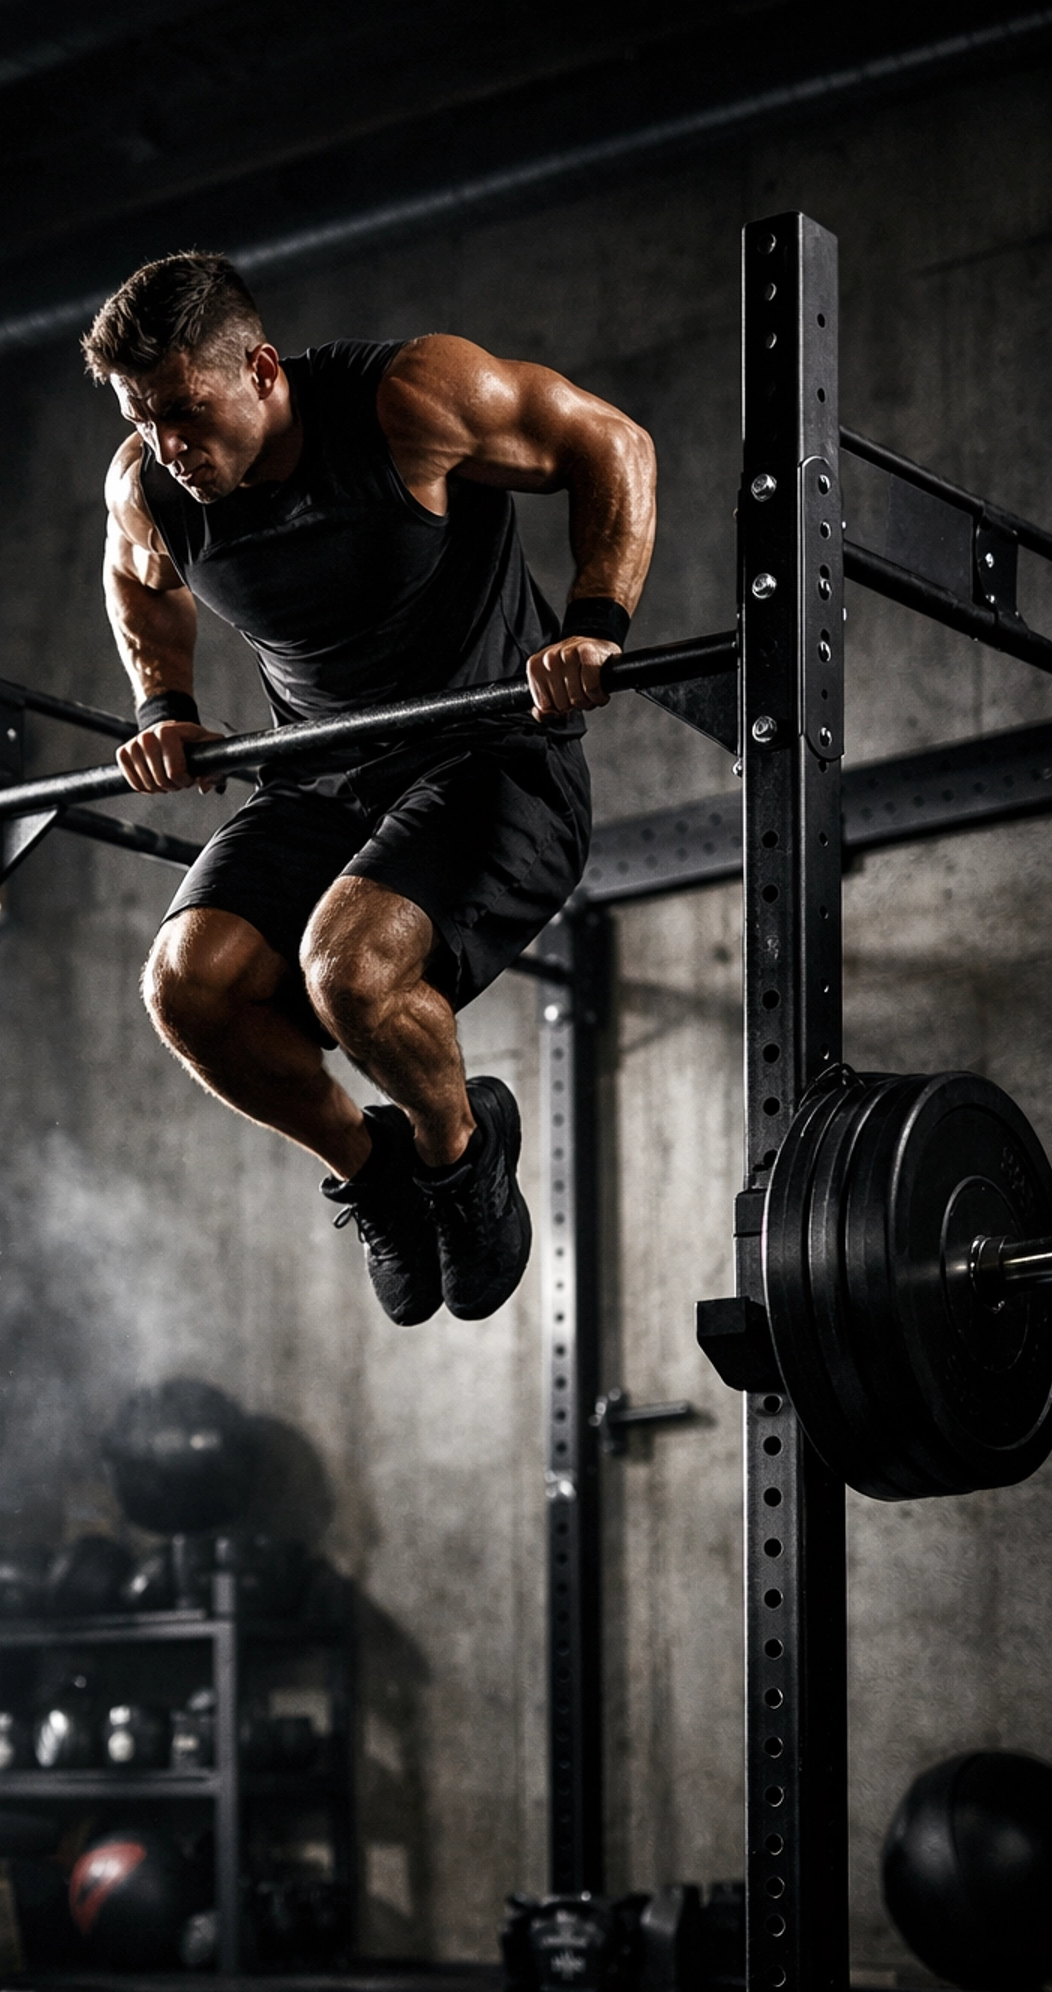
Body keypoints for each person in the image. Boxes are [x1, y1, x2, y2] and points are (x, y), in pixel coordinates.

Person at [84, 251, 655, 1326]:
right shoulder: (150, 487)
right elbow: (136, 577)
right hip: (320, 776)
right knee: (187, 990)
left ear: (261, 370)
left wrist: (595, 625)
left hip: (490, 759)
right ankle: (374, 1171)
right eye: (141, 418)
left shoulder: (411, 400)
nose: (167, 445)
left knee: (348, 972)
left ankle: (459, 1156)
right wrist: (163, 704)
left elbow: (610, 444)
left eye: (185, 411)